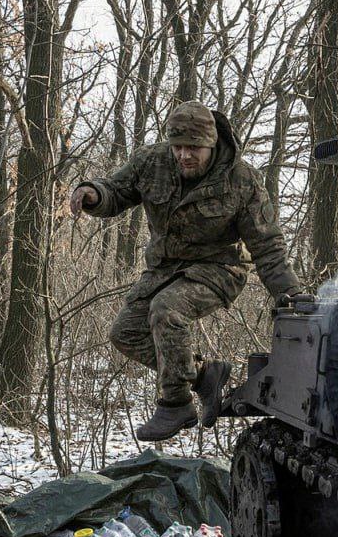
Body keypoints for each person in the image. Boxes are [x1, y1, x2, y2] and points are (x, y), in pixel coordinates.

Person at [70, 100, 304, 441]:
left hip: (218, 269)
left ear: (211, 144)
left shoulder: (243, 181)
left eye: (194, 148)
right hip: (164, 269)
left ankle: (174, 404)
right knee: (125, 333)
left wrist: (291, 295)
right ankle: (205, 375)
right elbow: (117, 190)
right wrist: (93, 193)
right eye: (178, 147)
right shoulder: (151, 162)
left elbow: (267, 246)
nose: (185, 156)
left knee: (167, 309)